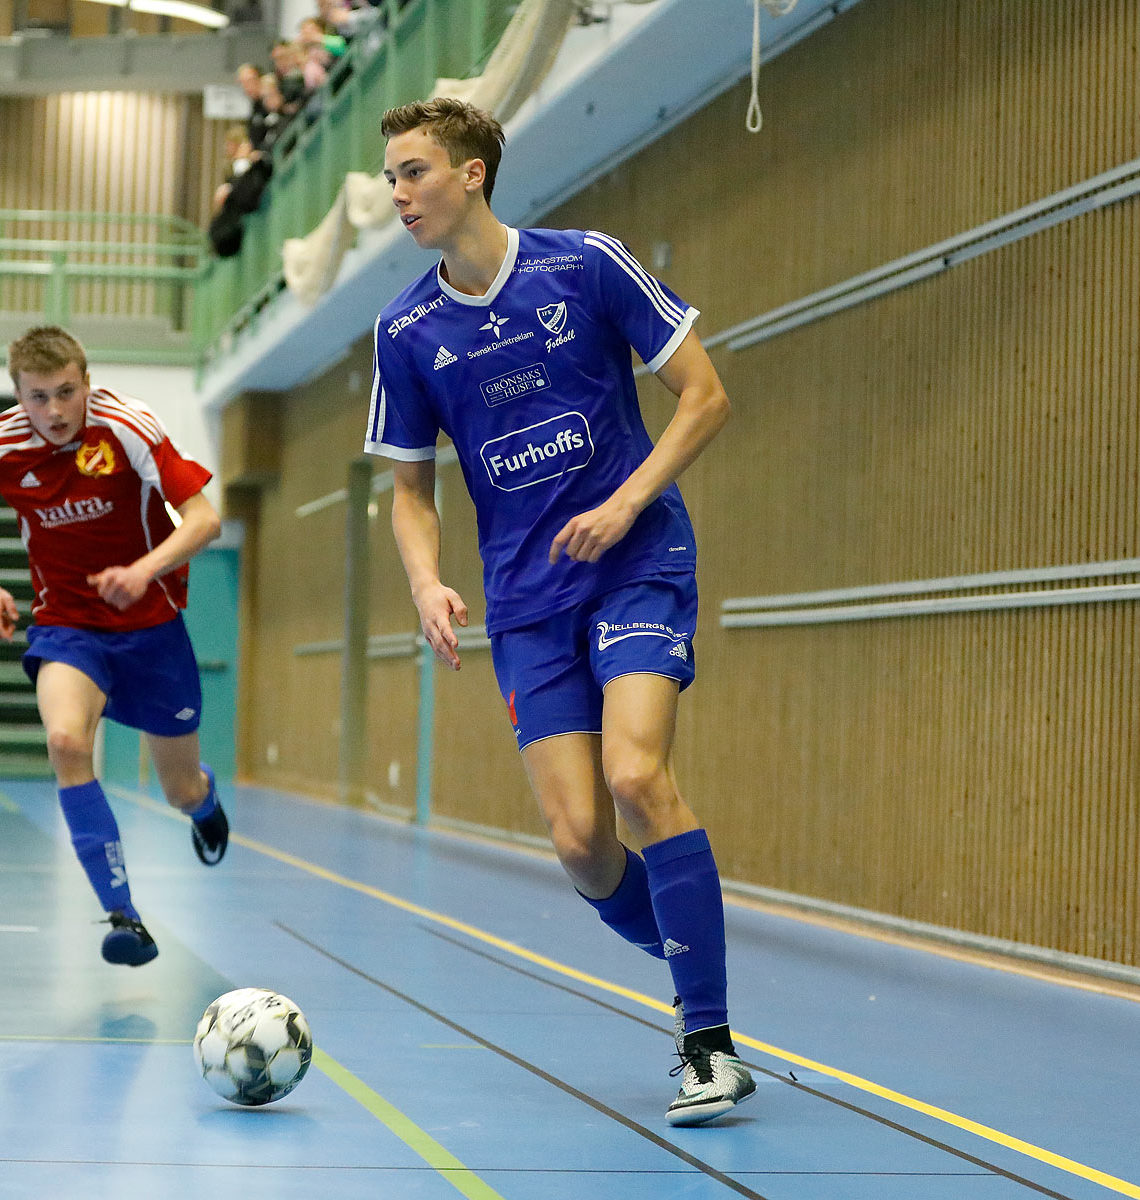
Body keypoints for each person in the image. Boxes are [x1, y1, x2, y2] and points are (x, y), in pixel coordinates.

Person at [364, 99, 748, 1126]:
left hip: (635, 561)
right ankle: (689, 939)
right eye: (391, 177)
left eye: (411, 173)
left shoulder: (585, 266)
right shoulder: (406, 330)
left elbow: (703, 394)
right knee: (580, 840)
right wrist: (426, 579)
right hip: (525, 601)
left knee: (633, 775)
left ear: (472, 174)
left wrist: (626, 502)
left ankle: (706, 1038)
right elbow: (407, 486)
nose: (395, 194)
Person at [0, 325, 230, 967]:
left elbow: (207, 518)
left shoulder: (128, 428)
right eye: (38, 397)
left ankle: (204, 802)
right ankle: (125, 916)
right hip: (66, 626)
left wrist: (143, 570)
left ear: (86, 382)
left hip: (151, 629)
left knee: (176, 789)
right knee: (67, 742)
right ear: (18, 395)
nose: (55, 411)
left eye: (67, 392)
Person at [208, 128, 271, 259]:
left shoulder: (252, 163)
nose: (227, 149)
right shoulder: (230, 166)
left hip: (244, 205)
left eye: (230, 145)